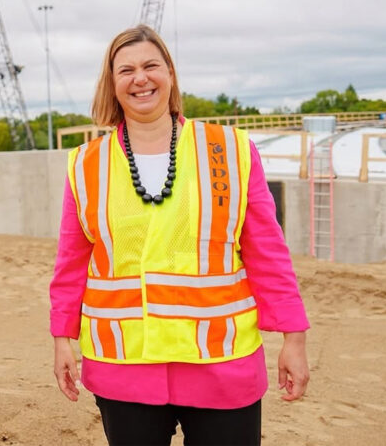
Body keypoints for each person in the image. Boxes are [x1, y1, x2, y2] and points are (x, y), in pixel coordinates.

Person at [49, 24, 309, 446]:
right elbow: (71, 262)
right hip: (125, 366)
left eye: (151, 65)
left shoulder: (229, 150)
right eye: (126, 70)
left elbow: (267, 254)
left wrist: (293, 339)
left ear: (170, 73)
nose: (141, 78)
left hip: (222, 364)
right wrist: (62, 337)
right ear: (111, 84)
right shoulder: (86, 164)